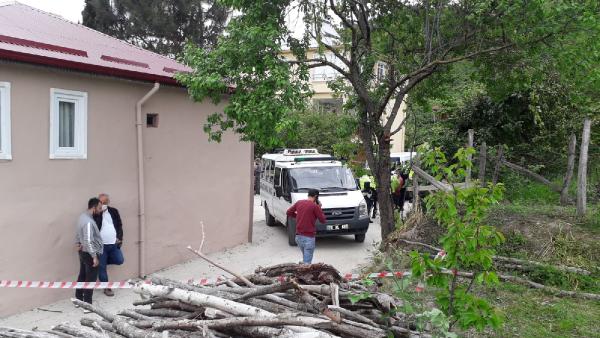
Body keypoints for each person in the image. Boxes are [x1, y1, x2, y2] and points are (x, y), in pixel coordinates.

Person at [93, 193, 124, 297]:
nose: (103, 204)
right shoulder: (95, 213)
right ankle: (106, 288)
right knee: (102, 268)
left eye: (105, 202)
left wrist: (119, 238)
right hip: (101, 246)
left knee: (120, 260)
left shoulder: (114, 211)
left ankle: (103, 262)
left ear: (108, 202)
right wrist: (99, 212)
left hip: (113, 244)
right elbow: (94, 227)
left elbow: (119, 225)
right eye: (101, 202)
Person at [75, 198, 104, 305]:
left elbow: (78, 233)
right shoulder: (88, 222)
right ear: (93, 207)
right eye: (99, 208)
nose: (100, 210)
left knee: (82, 275)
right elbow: (88, 240)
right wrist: (94, 256)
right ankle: (87, 304)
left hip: (83, 252)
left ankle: (78, 300)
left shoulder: (82, 217)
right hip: (89, 253)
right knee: (91, 279)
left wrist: (77, 243)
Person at [286, 189, 326, 264]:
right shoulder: (315, 206)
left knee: (305, 259)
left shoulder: (299, 202)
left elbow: (288, 212)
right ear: (316, 197)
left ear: (308, 195)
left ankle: (303, 266)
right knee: (307, 264)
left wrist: (297, 216)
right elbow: (323, 220)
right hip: (309, 238)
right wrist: (319, 208)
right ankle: (303, 272)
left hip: (298, 237)